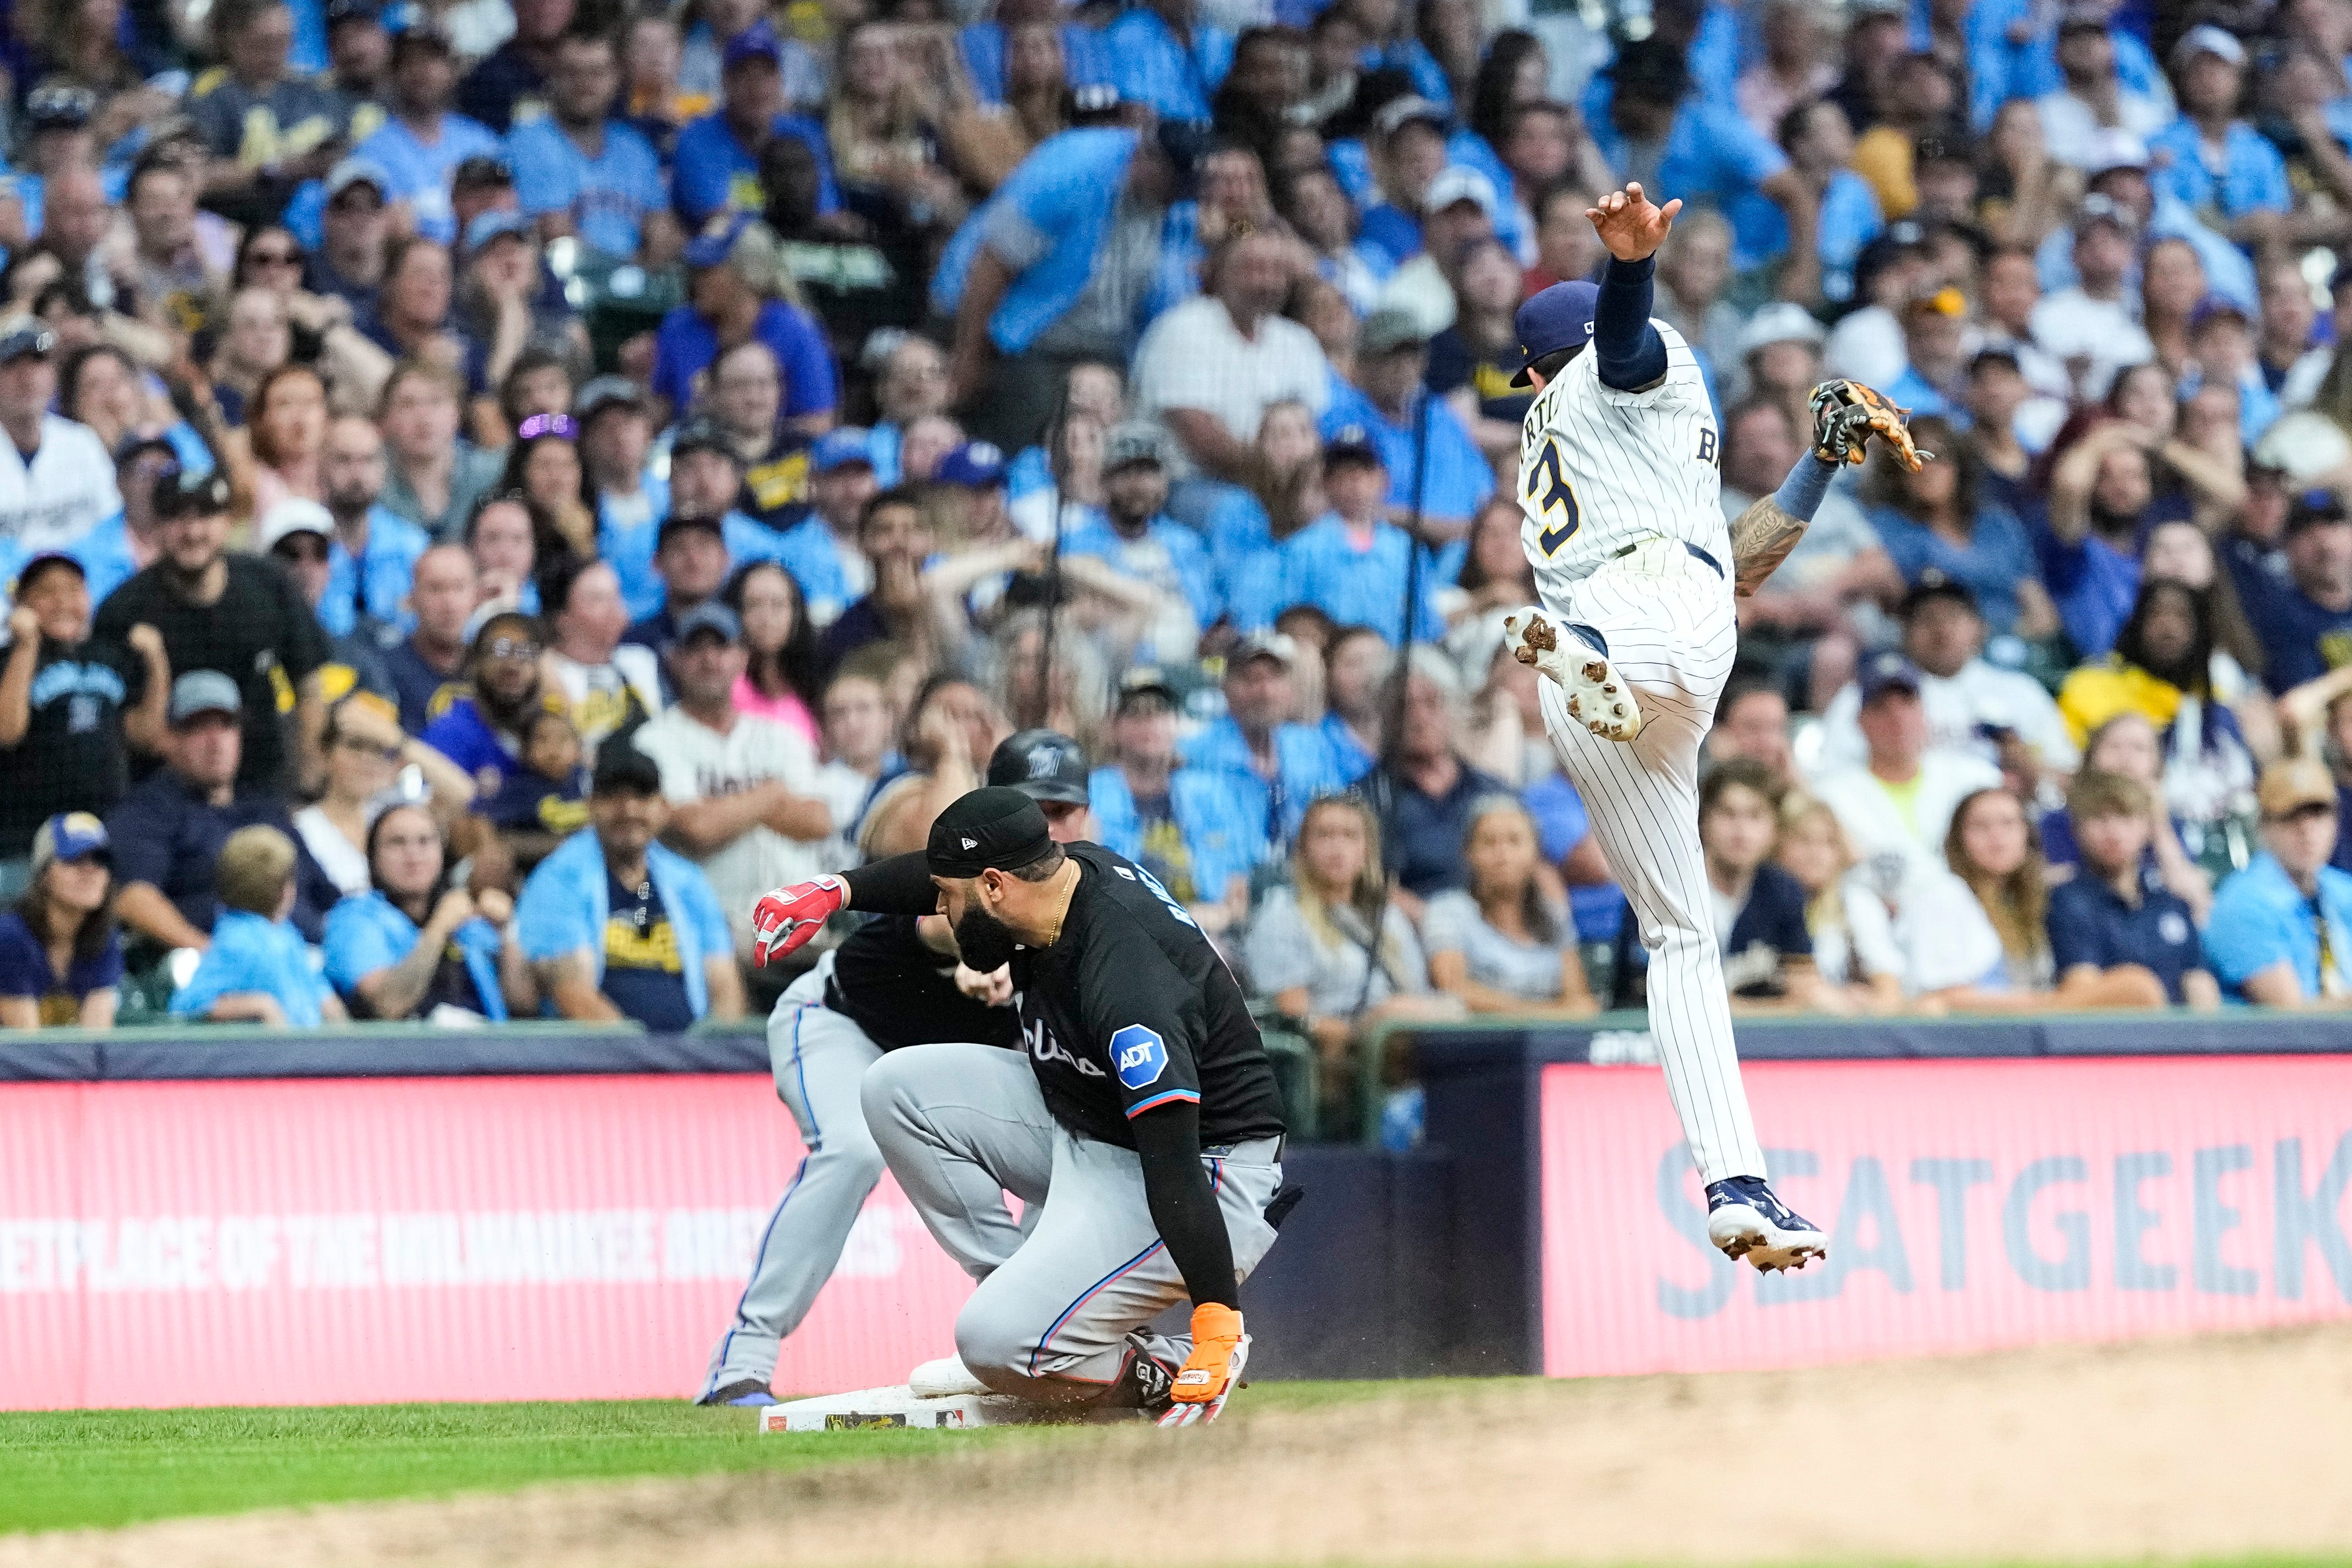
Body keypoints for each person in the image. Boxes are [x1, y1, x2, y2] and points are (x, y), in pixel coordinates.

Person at [1498, 183, 1895, 1274]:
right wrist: (1631, 265)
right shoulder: (1620, 366)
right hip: (1662, 617)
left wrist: (1815, 465)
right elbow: (1621, 351)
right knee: (1683, 629)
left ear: (1528, 372)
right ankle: (1605, 666)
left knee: (1677, 935)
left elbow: (1739, 556)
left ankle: (1734, 1181)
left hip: (1601, 646)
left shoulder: (1556, 438)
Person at [745, 786, 1286, 1421]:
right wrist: (838, 888)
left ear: (997, 885)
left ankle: (1145, 1363)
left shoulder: (1126, 980)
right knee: (895, 1088)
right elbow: (938, 876)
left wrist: (1216, 1321)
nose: (940, 910)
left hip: (1204, 1171)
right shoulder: (1053, 875)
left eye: (949, 898)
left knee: (992, 1341)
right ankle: (1026, 1301)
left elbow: (1170, 1161)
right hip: (1094, 1127)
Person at [693, 812, 1023, 1409]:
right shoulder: (960, 898)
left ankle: (1033, 1337)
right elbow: (940, 927)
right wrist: (983, 954)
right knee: (851, 1148)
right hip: (836, 1023)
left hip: (929, 1069)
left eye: (1063, 807)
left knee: (1066, 1142)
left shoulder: (1064, 903)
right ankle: (740, 1362)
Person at [94, 466, 328, 795]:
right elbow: (131, 732)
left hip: (264, 783)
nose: (192, 532)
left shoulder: (269, 584)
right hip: (161, 792)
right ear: (155, 527)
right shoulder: (123, 611)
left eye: (205, 516)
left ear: (228, 522)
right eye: (177, 518)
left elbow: (310, 685)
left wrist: (309, 775)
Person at [632, 602, 832, 961]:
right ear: (675, 660)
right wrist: (772, 795)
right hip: (710, 928)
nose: (709, 659)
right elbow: (697, 829)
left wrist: (728, 811)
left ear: (742, 657)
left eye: (721, 647)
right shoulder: (654, 741)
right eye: (695, 649)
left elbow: (817, 821)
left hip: (801, 926)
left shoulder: (782, 736)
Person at [1243, 792, 1454, 1119]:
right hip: (1335, 1060)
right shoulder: (1282, 916)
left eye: (1349, 836)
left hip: (1403, 1040)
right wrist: (1369, 1030)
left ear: (1365, 850)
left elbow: (1416, 994)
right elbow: (1293, 1017)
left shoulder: (1389, 918)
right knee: (1394, 1021)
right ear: (1303, 848)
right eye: (1325, 835)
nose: (1337, 847)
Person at [106, 671, 341, 953]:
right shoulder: (148, 810)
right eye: (198, 727)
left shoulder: (267, 810)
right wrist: (211, 953)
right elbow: (132, 896)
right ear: (168, 738)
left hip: (307, 961)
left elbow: (328, 897)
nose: (216, 741)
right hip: (221, 976)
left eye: (227, 725)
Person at [516, 739, 742, 1029]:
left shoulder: (688, 880)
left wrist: (711, 1052)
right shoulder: (559, 878)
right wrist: (643, 1058)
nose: (630, 809)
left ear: (663, 807)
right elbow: (572, 994)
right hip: (602, 1061)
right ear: (591, 806)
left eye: (642, 796)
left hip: (690, 1062)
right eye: (614, 797)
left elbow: (725, 986)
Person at [0, 554, 169, 888]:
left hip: (105, 832)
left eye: (75, 590)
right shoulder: (8, 659)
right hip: (27, 842)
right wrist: (26, 646)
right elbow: (7, 731)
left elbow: (145, 737)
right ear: (21, 602)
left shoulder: (108, 655)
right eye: (47, 592)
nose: (63, 602)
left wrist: (156, 661)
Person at [1815, 571, 2077, 783]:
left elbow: (2069, 775)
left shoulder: (2021, 692)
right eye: (1926, 618)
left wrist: (2029, 768)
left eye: (1953, 616)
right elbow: (1832, 775)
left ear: (1980, 628)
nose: (1941, 630)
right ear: (1905, 632)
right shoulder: (1868, 695)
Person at [1130, 227, 1330, 488]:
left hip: (1286, 485)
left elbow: (1317, 427)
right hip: (1189, 481)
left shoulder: (1298, 340)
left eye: (1277, 270)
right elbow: (1198, 434)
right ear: (1220, 273)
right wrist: (1270, 480)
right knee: (1238, 512)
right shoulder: (1183, 328)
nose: (1267, 282)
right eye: (1254, 269)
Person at [323, 801, 533, 1021]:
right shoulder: (353, 920)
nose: (413, 855)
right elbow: (388, 1005)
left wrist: (507, 932)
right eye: (397, 842)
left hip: (491, 1049)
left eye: (425, 841)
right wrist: (438, 929)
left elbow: (524, 1006)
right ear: (373, 857)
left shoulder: (468, 921)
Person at [1087, 670, 1256, 932]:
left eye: (1160, 713)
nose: (1150, 724)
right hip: (1128, 932)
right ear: (1114, 728)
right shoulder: (1092, 794)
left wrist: (1221, 913)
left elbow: (1237, 885)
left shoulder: (1209, 792)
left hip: (1209, 930)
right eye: (1136, 715)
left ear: (1177, 724)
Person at [2042, 771, 2220, 1009]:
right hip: (2112, 1040)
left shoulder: (2170, 901)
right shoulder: (2066, 901)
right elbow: (2083, 992)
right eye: (2099, 819)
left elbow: (2199, 981)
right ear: (2076, 829)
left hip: (2181, 1040)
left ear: (2148, 827)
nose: (2113, 832)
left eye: (2125, 817)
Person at [649, 216, 838, 436]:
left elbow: (817, 424)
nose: (696, 280)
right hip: (695, 457)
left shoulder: (796, 331)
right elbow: (658, 415)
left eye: (709, 270)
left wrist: (751, 442)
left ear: (748, 274)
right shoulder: (680, 327)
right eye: (695, 270)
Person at [507, 27, 675, 262]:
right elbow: (555, 234)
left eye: (597, 73)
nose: (585, 84)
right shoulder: (529, 142)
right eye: (572, 73)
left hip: (639, 285)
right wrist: (627, 271)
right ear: (552, 77)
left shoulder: (635, 146)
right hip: (567, 285)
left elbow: (661, 227)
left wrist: (646, 265)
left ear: (617, 78)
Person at [1422, 795, 1598, 1018]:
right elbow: (1453, 988)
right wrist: (1544, 1015)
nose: (1502, 855)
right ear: (1468, 854)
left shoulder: (1552, 914)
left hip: (1550, 1046)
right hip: (1476, 1042)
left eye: (1514, 841)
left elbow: (1581, 1001)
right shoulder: (1448, 910)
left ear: (1536, 853)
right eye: (1489, 842)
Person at [1058, 423, 1219, 662]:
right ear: (1105, 480)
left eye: (1149, 471)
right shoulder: (1076, 543)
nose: (1139, 484)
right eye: (1125, 472)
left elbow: (1209, 619)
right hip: (1113, 668)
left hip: (1187, 666)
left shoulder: (1186, 544)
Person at [1178, 631, 1344, 857]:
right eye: (1251, 679)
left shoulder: (1311, 747)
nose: (1265, 692)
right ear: (1226, 687)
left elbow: (1337, 817)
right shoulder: (1195, 754)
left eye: (1274, 678)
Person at [2203, 757, 2352, 1007]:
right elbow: (2292, 1021)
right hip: (2269, 1044)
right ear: (2263, 825)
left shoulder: (2340, 889)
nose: (2307, 829)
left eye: (2317, 814)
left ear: (2336, 822)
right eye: (2291, 817)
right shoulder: (2242, 904)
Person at [1371, 648, 1509, 910]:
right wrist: (1439, 928)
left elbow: (1535, 870)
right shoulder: (1369, 798)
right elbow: (1369, 883)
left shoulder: (1492, 792)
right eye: (1405, 707)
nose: (1421, 718)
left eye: (1432, 703)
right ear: (1386, 716)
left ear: (1452, 708)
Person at [169, 825, 346, 1026]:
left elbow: (326, 1001)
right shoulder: (237, 941)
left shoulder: (286, 933)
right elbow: (187, 1008)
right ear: (286, 890)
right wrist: (260, 1006)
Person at [353, 22, 502, 246]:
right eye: (409, 62)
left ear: (452, 70)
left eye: (432, 60)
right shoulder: (372, 151)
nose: (421, 71)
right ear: (393, 75)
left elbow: (507, 212)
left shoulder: (481, 142)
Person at [0, 321, 120, 561]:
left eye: (37, 362)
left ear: (53, 374)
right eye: (12, 365)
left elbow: (112, 526)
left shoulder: (82, 443)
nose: (27, 377)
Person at [0, 813, 123, 1028]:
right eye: (75, 859)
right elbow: (28, 1048)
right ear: (44, 875)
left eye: (100, 860)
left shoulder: (104, 938)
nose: (90, 869)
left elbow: (97, 1042)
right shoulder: (10, 936)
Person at [541, 556, 660, 757]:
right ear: (562, 619)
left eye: (616, 595)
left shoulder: (641, 662)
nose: (616, 608)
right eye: (598, 599)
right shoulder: (547, 672)